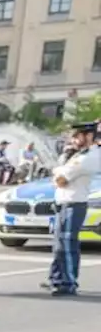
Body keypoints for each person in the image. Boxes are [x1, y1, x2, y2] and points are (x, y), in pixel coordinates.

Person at [44, 121, 99, 297]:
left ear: (89, 136)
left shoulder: (88, 157)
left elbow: (61, 180)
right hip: (64, 204)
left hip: (73, 204)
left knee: (67, 245)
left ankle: (68, 283)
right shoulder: (77, 155)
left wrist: (58, 171)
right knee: (59, 245)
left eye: (77, 136)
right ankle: (57, 279)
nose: (73, 140)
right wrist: (60, 169)